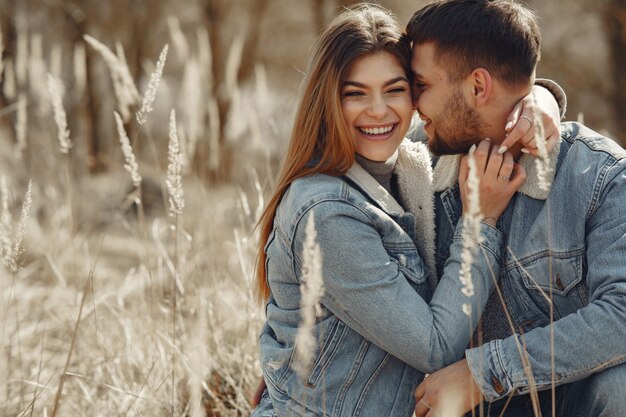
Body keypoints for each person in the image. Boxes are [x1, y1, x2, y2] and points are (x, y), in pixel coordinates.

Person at [251, 4, 563, 416]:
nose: (379, 111)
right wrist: (479, 223)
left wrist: (540, 98)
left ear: (416, 95)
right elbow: (434, 348)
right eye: (355, 94)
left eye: (395, 89)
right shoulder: (325, 212)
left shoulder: (408, 164)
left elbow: (481, 104)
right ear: (326, 101)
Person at [405, 1, 626, 416]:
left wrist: (482, 375)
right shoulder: (417, 163)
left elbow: (623, 315)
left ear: (477, 87)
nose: (413, 103)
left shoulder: (601, 177)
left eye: (421, 85)